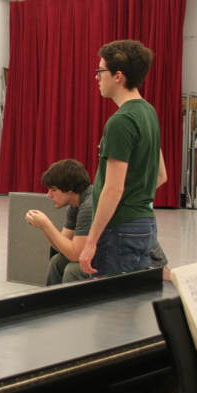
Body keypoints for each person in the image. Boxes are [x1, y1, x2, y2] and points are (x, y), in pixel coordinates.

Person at [79, 40, 161, 277]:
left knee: (113, 310)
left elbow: (113, 189)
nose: (97, 77)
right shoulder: (148, 112)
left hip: (120, 230)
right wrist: (135, 198)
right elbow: (161, 174)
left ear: (118, 76)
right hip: (144, 224)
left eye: (101, 71)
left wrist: (91, 241)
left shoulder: (121, 121)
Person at [27, 159, 170, 285]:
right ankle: (52, 310)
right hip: (109, 251)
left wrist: (46, 224)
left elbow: (74, 254)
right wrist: (43, 227)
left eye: (53, 190)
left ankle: (72, 314)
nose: (49, 194)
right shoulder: (76, 205)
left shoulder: (89, 204)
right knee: (57, 262)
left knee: (73, 270)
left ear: (69, 189)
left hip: (142, 260)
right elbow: (63, 247)